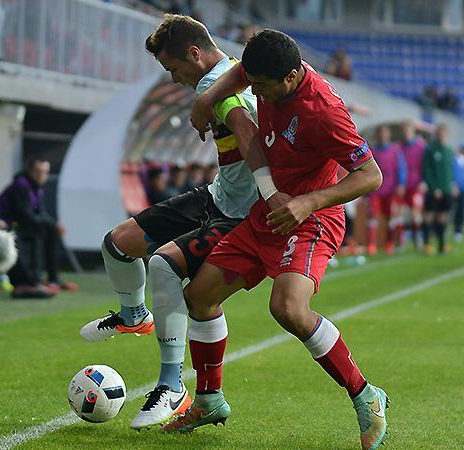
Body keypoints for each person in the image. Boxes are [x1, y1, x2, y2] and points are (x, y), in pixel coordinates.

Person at [166, 30, 389, 450]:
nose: (256, 92)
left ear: (290, 77)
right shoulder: (266, 70)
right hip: (268, 213)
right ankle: (209, 401)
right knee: (199, 295)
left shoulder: (324, 113)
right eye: (252, 82)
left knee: (287, 309)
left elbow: (371, 175)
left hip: (311, 218)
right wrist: (206, 98)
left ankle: (366, 395)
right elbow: (239, 76)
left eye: (262, 86)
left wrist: (309, 202)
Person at [78, 14, 286, 430]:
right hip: (217, 196)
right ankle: (134, 315)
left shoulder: (216, 85)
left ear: (194, 54)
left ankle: (172, 386)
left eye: (173, 68)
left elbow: (247, 133)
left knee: (166, 269)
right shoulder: (232, 75)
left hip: (243, 215)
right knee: (118, 243)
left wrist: (271, 194)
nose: (174, 79)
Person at [0, 156, 76, 298]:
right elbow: (24, 215)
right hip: (3, 225)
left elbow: (40, 212)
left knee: (49, 230)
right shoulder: (21, 185)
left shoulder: (37, 187)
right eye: (38, 171)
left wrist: (54, 225)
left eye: (45, 172)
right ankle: (29, 283)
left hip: (19, 224)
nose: (41, 175)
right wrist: (52, 224)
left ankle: (52, 279)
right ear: (29, 171)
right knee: (37, 232)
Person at [367, 125, 406, 255]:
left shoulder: (395, 150)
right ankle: (371, 244)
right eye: (381, 133)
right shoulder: (373, 151)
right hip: (376, 189)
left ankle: (389, 243)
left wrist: (401, 183)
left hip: (391, 189)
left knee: (390, 217)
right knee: (372, 216)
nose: (383, 135)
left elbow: (401, 168)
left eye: (385, 133)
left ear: (388, 135)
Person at [422, 124, 455, 255]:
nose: (441, 136)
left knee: (443, 216)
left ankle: (442, 245)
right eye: (439, 133)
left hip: (446, 189)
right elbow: (427, 170)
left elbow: (451, 170)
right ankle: (427, 244)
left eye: (443, 133)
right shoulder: (430, 150)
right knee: (428, 216)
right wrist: (434, 187)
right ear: (436, 135)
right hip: (433, 190)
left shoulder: (449, 150)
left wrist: (452, 184)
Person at [398, 120, 426, 249]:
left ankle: (418, 238)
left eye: (408, 130)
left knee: (416, 214)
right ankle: (401, 240)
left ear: (413, 131)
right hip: (402, 186)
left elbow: (425, 165)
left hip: (416, 185)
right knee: (400, 213)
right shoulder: (398, 147)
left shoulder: (421, 146)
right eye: (404, 131)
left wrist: (423, 181)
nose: (406, 133)